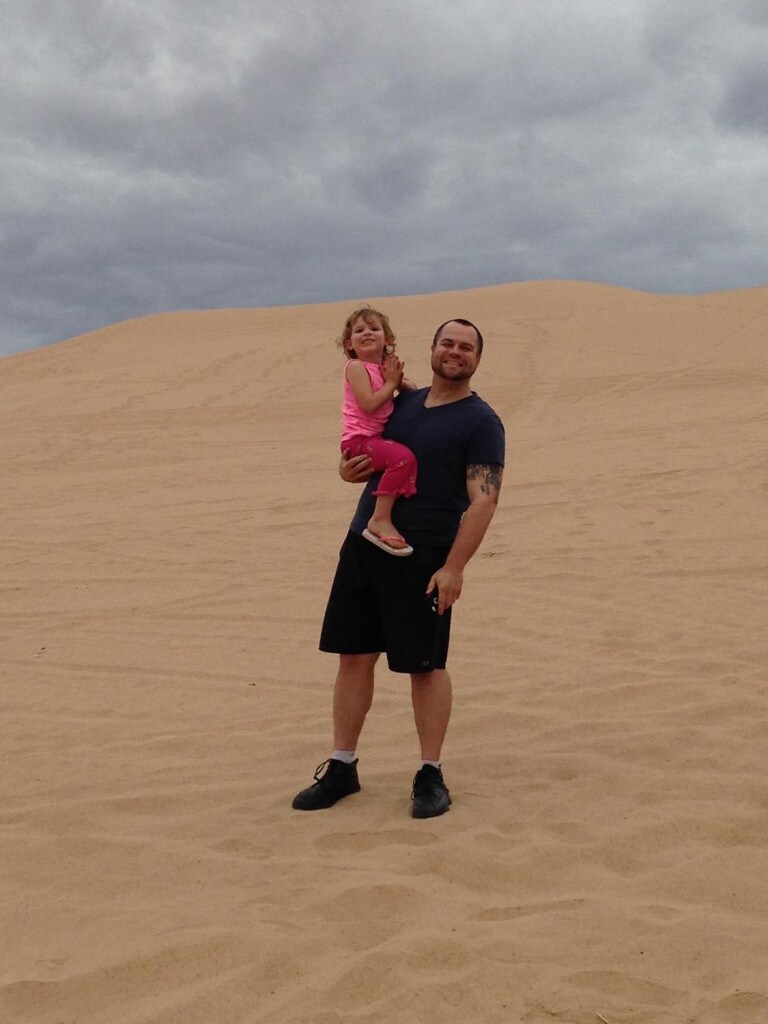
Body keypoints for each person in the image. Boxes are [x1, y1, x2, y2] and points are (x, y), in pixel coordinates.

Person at [292, 317, 504, 818]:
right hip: (364, 542)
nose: (455, 352)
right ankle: (343, 766)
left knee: (425, 666)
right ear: (431, 350)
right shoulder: (400, 401)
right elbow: (366, 452)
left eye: (466, 347)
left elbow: (484, 501)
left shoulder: (481, 421)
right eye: (447, 343)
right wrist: (347, 472)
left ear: (477, 359)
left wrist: (454, 568)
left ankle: (430, 773)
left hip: (423, 556)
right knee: (353, 655)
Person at [338, 306, 417, 556]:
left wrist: (399, 381)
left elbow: (412, 391)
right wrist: (392, 382)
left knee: (403, 460)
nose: (367, 333)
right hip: (359, 441)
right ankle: (379, 518)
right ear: (349, 343)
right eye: (359, 330)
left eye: (374, 328)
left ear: (388, 339)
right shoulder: (356, 367)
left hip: (372, 440)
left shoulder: (381, 369)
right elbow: (370, 404)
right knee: (403, 458)